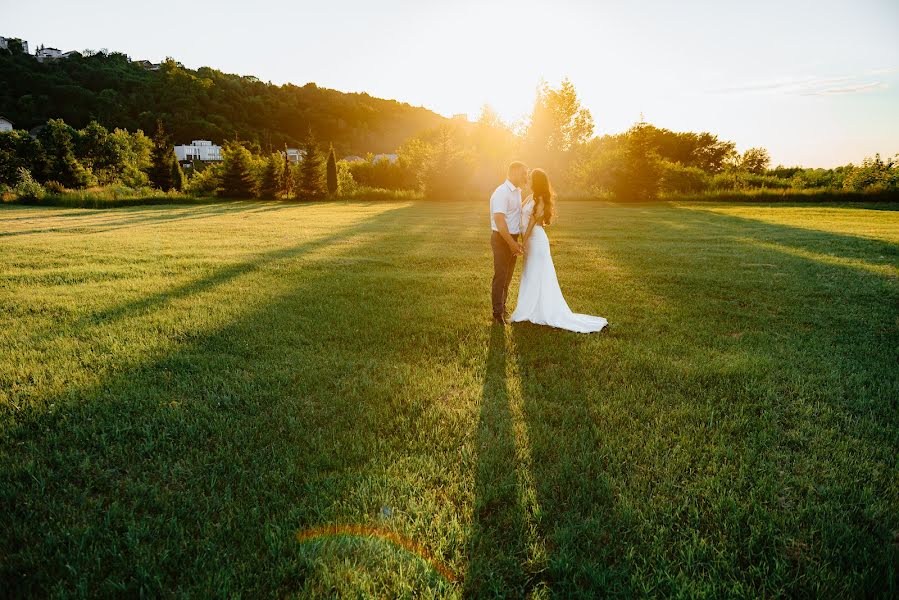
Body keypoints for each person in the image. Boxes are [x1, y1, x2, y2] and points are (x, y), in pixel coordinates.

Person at [510, 168, 608, 333]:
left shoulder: (540, 199)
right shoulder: (529, 197)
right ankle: (529, 309)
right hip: (530, 240)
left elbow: (533, 222)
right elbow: (519, 212)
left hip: (536, 241)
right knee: (530, 274)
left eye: (531, 178)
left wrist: (523, 242)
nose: (529, 180)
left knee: (536, 274)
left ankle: (535, 310)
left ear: (537, 181)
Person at [489, 161, 528, 324]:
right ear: (513, 173)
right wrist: (512, 244)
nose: (525, 176)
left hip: (513, 238)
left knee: (508, 277)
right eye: (523, 173)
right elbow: (499, 221)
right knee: (501, 276)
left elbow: (516, 213)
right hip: (501, 239)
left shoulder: (517, 191)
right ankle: (497, 314)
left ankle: (503, 308)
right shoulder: (502, 192)